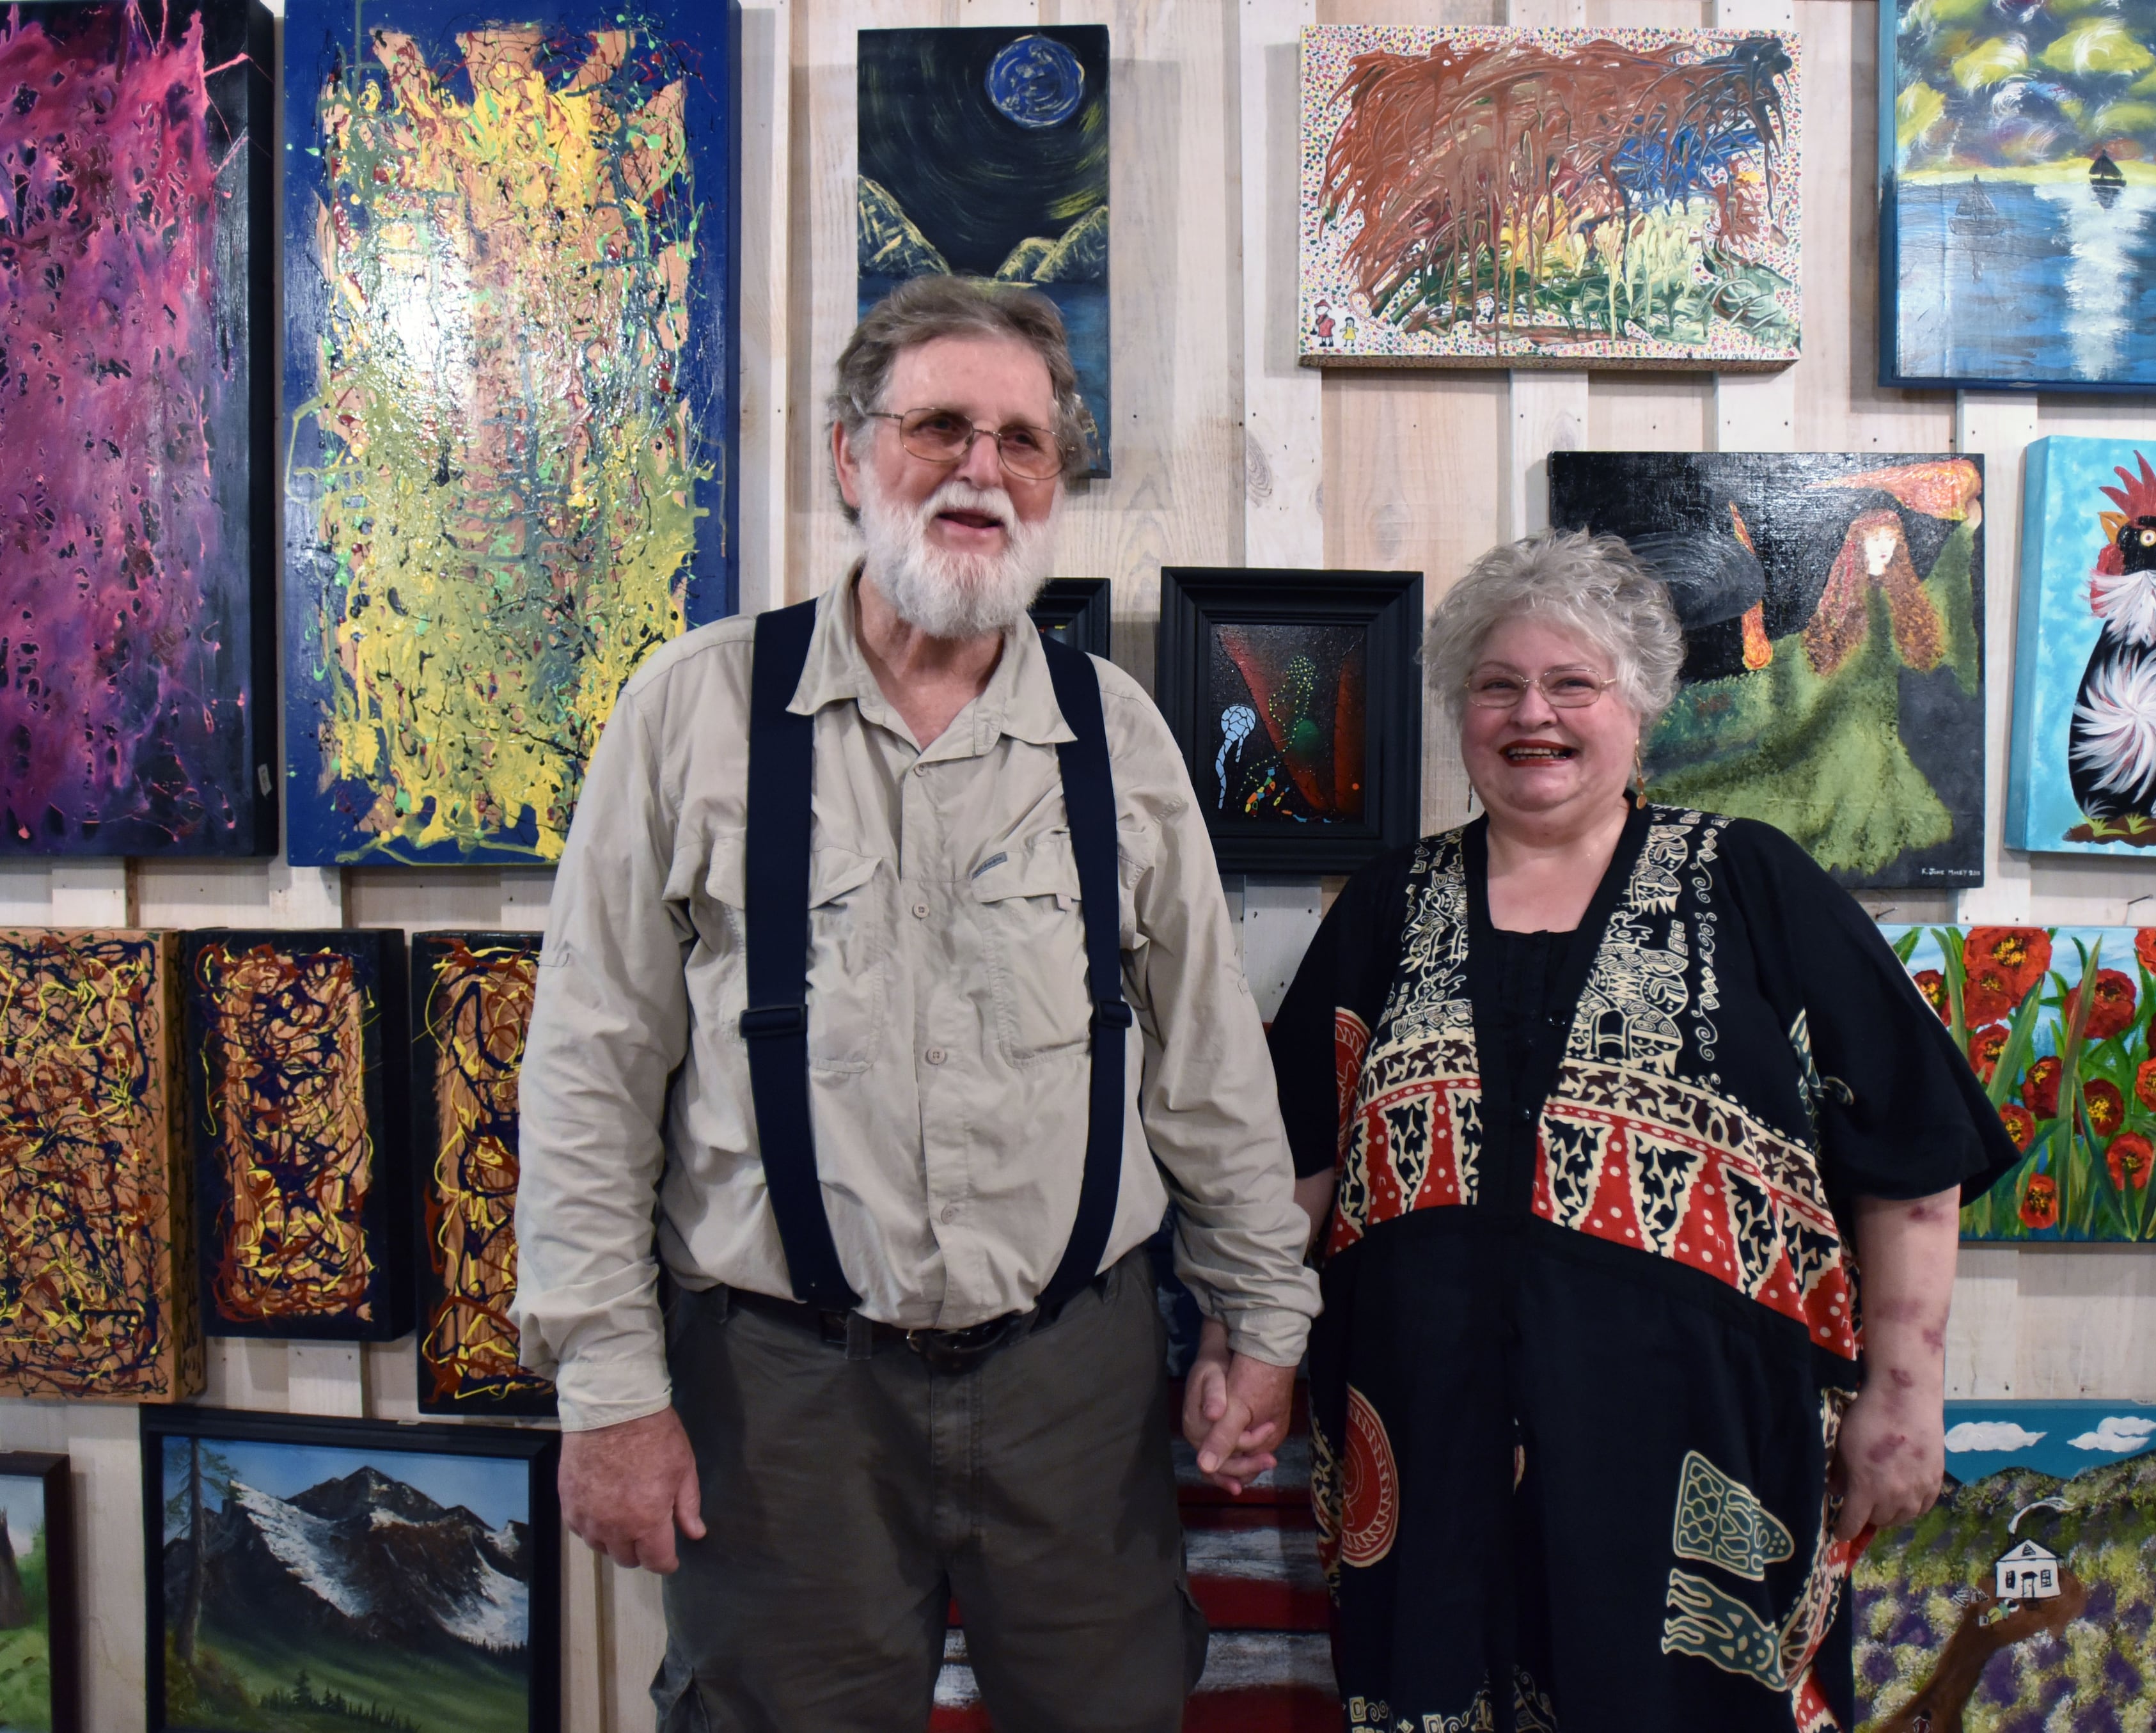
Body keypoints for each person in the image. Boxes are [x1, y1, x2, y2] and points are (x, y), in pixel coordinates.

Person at [512, 274, 1321, 1733]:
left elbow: (1208, 1064)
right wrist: (609, 1386)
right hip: (781, 1393)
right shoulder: (691, 710)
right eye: (938, 425)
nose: (980, 469)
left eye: (1021, 439)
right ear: (849, 455)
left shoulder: (1113, 733)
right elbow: (588, 1075)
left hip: (1076, 1382)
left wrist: (1263, 1312)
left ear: (1057, 478)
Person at [1192, 531, 2018, 1732]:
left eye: (1572, 685)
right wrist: (1243, 1349)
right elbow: (1291, 1165)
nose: (1535, 714)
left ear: (1639, 706)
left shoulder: (1755, 884)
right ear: (1463, 711)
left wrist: (1907, 1397)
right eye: (1498, 685)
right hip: (1423, 1456)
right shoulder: (1387, 906)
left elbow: (1911, 1151)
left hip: (1707, 1464)